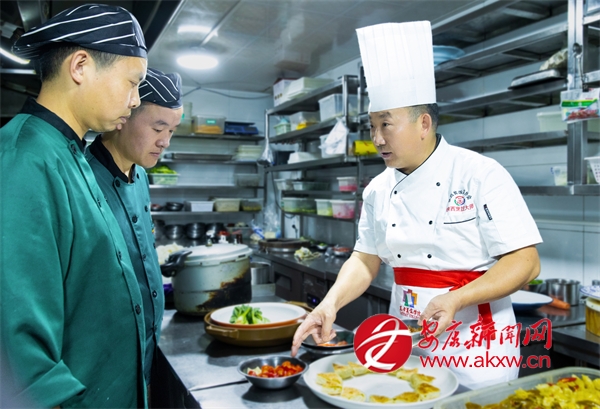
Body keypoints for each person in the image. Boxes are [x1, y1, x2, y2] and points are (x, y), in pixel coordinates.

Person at [291, 21, 542, 389]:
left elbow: (526, 262)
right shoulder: (378, 189)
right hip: (406, 345)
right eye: (372, 126)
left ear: (424, 123)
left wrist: (457, 299)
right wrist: (329, 304)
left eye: (386, 125)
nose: (377, 139)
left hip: (476, 349)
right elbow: (364, 259)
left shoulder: (479, 174)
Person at [1, 4, 150, 408]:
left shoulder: (70, 154)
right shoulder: (24, 160)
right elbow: (18, 351)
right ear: (81, 66)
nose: (136, 101)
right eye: (132, 82)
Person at [85, 67, 183, 393]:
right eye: (158, 128)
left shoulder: (141, 176)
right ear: (124, 115)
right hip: (100, 366)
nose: (165, 141)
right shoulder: (82, 179)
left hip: (146, 352)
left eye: (172, 130)